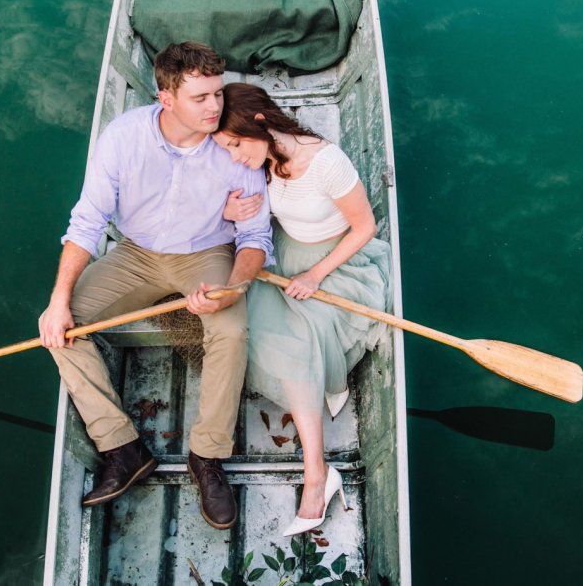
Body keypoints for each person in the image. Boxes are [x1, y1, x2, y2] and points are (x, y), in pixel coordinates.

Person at [38, 43, 273, 530]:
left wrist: (232, 288)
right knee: (63, 325)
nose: (214, 107)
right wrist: (57, 301)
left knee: (230, 331)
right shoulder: (123, 137)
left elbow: (254, 239)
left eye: (217, 93)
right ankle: (123, 449)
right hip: (135, 253)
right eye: (201, 98)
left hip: (206, 254)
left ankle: (207, 457)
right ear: (166, 99)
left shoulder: (234, 144)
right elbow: (87, 222)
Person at [215, 82, 390, 537]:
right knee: (255, 323)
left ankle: (317, 475)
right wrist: (230, 211)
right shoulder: (263, 160)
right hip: (285, 256)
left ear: (259, 122)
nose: (234, 156)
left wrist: (315, 276)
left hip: (338, 261)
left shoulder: (327, 163)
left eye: (234, 144)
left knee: (301, 336)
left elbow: (365, 227)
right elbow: (263, 216)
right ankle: (326, 390)